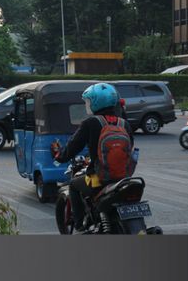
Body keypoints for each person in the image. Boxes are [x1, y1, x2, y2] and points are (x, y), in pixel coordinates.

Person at [53, 83, 135, 232]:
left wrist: (60, 156)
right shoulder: (124, 124)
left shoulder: (91, 123)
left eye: (88, 101)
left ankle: (79, 225)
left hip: (100, 177)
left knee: (73, 185)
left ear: (96, 102)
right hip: (124, 178)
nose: (87, 105)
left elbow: (73, 146)